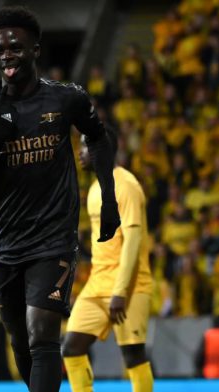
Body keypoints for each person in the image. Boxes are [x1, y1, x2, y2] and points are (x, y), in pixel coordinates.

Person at [0, 6, 121, 391]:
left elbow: (98, 135)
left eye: (15, 47)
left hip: (54, 237)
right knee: (20, 342)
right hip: (6, 242)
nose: (6, 55)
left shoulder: (66, 99)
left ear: (35, 49)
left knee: (43, 333)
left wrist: (108, 196)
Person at [62, 133, 154, 392]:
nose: (79, 151)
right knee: (71, 348)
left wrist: (121, 292)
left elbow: (133, 242)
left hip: (130, 286)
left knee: (133, 355)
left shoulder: (126, 186)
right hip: (97, 283)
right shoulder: (94, 188)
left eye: (84, 145)